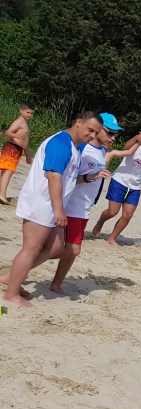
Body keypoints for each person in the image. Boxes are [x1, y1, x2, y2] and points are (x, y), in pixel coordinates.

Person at [0, 111, 103, 307]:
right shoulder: (60, 143)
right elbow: (54, 177)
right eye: (90, 130)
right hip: (41, 203)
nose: (92, 135)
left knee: (56, 247)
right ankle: (11, 293)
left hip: (51, 204)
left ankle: (12, 277)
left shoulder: (75, 146)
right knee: (31, 248)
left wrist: (88, 178)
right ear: (78, 122)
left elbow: (68, 178)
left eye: (96, 133)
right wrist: (59, 210)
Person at [50, 113, 141, 295]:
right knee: (66, 249)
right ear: (99, 129)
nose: (113, 138)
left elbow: (126, 152)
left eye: (116, 134)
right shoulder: (82, 148)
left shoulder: (102, 152)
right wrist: (89, 177)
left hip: (84, 208)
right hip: (71, 206)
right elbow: (65, 177)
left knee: (70, 250)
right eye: (110, 133)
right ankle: (23, 268)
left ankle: (55, 284)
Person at [91, 130, 141, 245]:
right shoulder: (137, 147)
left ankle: (112, 238)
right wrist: (136, 138)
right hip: (120, 180)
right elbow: (126, 147)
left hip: (135, 187)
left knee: (128, 215)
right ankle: (101, 221)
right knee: (112, 212)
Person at [0, 103, 34, 205]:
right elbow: (8, 132)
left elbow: (25, 142)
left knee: (6, 171)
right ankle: (2, 195)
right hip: (12, 148)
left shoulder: (24, 123)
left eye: (31, 113)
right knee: (8, 170)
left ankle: (1, 193)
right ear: (21, 110)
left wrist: (27, 154)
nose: (29, 115)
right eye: (27, 112)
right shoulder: (19, 122)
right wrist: (16, 136)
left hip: (17, 149)